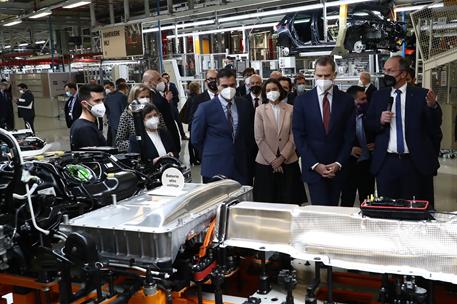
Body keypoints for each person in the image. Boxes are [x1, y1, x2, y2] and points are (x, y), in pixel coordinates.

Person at [366, 55, 442, 208]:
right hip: (387, 162)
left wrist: (433, 106)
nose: (386, 74)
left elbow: (434, 125)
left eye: (390, 70)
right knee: (387, 209)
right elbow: (368, 124)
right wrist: (379, 121)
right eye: (384, 70)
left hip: (414, 162)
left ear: (403, 73)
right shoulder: (379, 96)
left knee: (415, 209)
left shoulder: (422, 95)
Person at [292, 56, 355, 206]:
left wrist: (339, 163)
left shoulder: (346, 100)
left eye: (327, 75)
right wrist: (315, 165)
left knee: (334, 210)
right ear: (314, 75)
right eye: (319, 75)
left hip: (337, 168)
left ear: (334, 75)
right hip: (314, 168)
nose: (323, 79)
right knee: (319, 211)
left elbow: (349, 135)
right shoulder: (302, 101)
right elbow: (299, 136)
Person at [191, 68, 255, 185]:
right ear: (218, 86)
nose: (229, 89)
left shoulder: (244, 105)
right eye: (224, 86)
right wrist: (211, 154)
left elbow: (249, 135)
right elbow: (196, 139)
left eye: (232, 85)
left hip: (241, 167)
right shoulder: (205, 108)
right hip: (215, 168)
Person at [254, 79, 306, 204]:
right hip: (266, 163)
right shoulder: (260, 110)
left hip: (288, 161)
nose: (271, 92)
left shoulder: (290, 109)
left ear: (280, 91)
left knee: (289, 201)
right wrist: (273, 160)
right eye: (268, 90)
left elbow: (294, 135)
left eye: (274, 89)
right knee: (267, 201)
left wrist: (282, 158)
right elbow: (259, 138)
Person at [340, 86, 375, 207]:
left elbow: (380, 132)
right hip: (349, 165)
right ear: (352, 101)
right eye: (362, 99)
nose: (366, 102)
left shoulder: (370, 115)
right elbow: (335, 139)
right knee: (347, 199)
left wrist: (376, 144)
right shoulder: (342, 118)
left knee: (368, 200)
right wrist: (349, 149)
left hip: (367, 165)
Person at [115, 84, 166, 152]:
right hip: (138, 155)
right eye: (142, 97)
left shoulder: (156, 113)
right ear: (134, 98)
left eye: (147, 96)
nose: (145, 99)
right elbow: (119, 142)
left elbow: (164, 133)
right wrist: (137, 144)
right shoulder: (126, 115)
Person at [143, 70, 181, 153]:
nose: (162, 81)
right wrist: (166, 100)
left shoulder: (156, 92)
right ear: (151, 81)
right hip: (161, 131)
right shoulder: (147, 95)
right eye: (159, 79)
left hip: (167, 129)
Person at [70, 84, 107, 150]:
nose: (101, 104)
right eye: (97, 101)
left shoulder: (80, 124)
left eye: (102, 100)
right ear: (85, 104)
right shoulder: (85, 129)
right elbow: (94, 157)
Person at [162, 72, 187, 140]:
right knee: (170, 122)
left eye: (167, 77)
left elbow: (176, 94)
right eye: (164, 77)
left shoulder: (172, 85)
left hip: (173, 106)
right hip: (166, 107)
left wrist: (174, 101)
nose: (166, 78)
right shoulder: (161, 87)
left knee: (179, 121)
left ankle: (183, 135)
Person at [104, 81, 128, 145]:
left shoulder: (108, 96)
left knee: (114, 141)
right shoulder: (123, 97)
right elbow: (125, 111)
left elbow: (106, 110)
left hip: (112, 123)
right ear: (125, 89)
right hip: (122, 123)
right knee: (122, 142)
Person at [185, 81, 201, 165]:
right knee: (195, 141)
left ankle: (192, 158)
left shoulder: (190, 98)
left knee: (191, 141)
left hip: (191, 122)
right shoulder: (197, 99)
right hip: (195, 122)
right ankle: (196, 158)